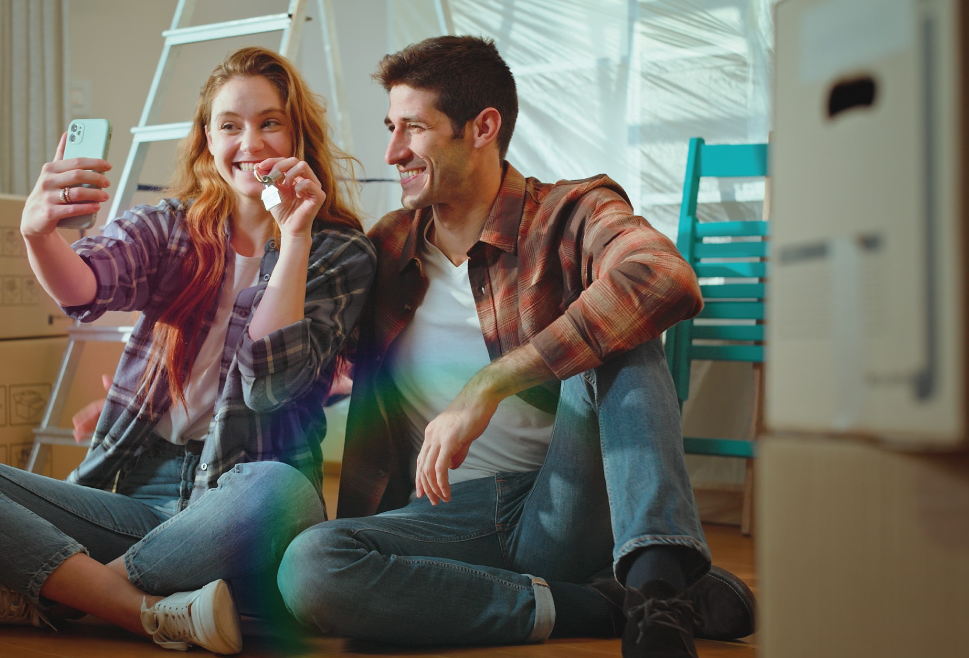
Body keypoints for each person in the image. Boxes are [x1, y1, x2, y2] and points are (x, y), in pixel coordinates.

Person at [276, 36, 756, 657]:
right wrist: (286, 235)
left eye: (413, 129)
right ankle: (607, 600)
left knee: (622, 334)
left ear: (483, 127)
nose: (392, 152)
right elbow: (289, 372)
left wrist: (488, 384)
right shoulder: (389, 247)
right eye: (391, 128)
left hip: (564, 500)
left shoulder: (569, 211)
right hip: (445, 515)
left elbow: (664, 278)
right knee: (310, 566)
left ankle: (655, 590)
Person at [0, 47, 375, 656]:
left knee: (280, 491)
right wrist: (37, 233)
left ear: (298, 133)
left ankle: (55, 594)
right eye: (230, 125)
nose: (249, 143)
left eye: (269, 122)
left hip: (240, 505)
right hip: (135, 494)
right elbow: (85, 286)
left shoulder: (340, 253)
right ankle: (141, 609)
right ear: (208, 139)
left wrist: (296, 235)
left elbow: (271, 387)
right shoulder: (171, 226)